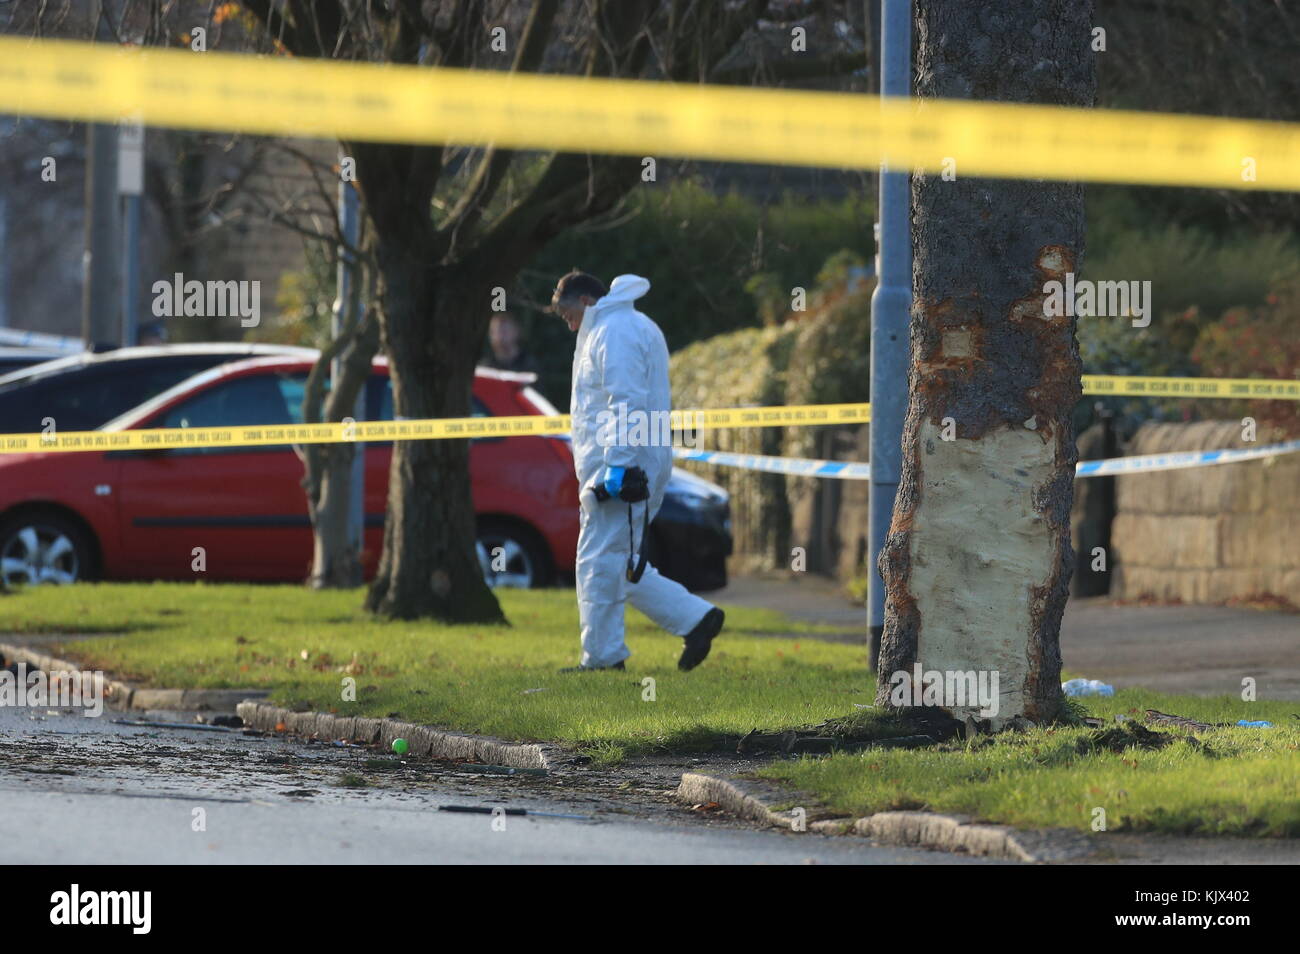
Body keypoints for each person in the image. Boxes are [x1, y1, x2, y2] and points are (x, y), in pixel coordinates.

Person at [550, 270, 725, 672]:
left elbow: (624, 400)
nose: (566, 321)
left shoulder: (614, 331)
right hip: (627, 460)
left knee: (600, 559)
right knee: (616, 560)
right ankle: (695, 618)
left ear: (586, 301)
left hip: (623, 464)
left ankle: (603, 659)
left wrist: (619, 467)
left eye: (566, 311)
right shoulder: (623, 326)